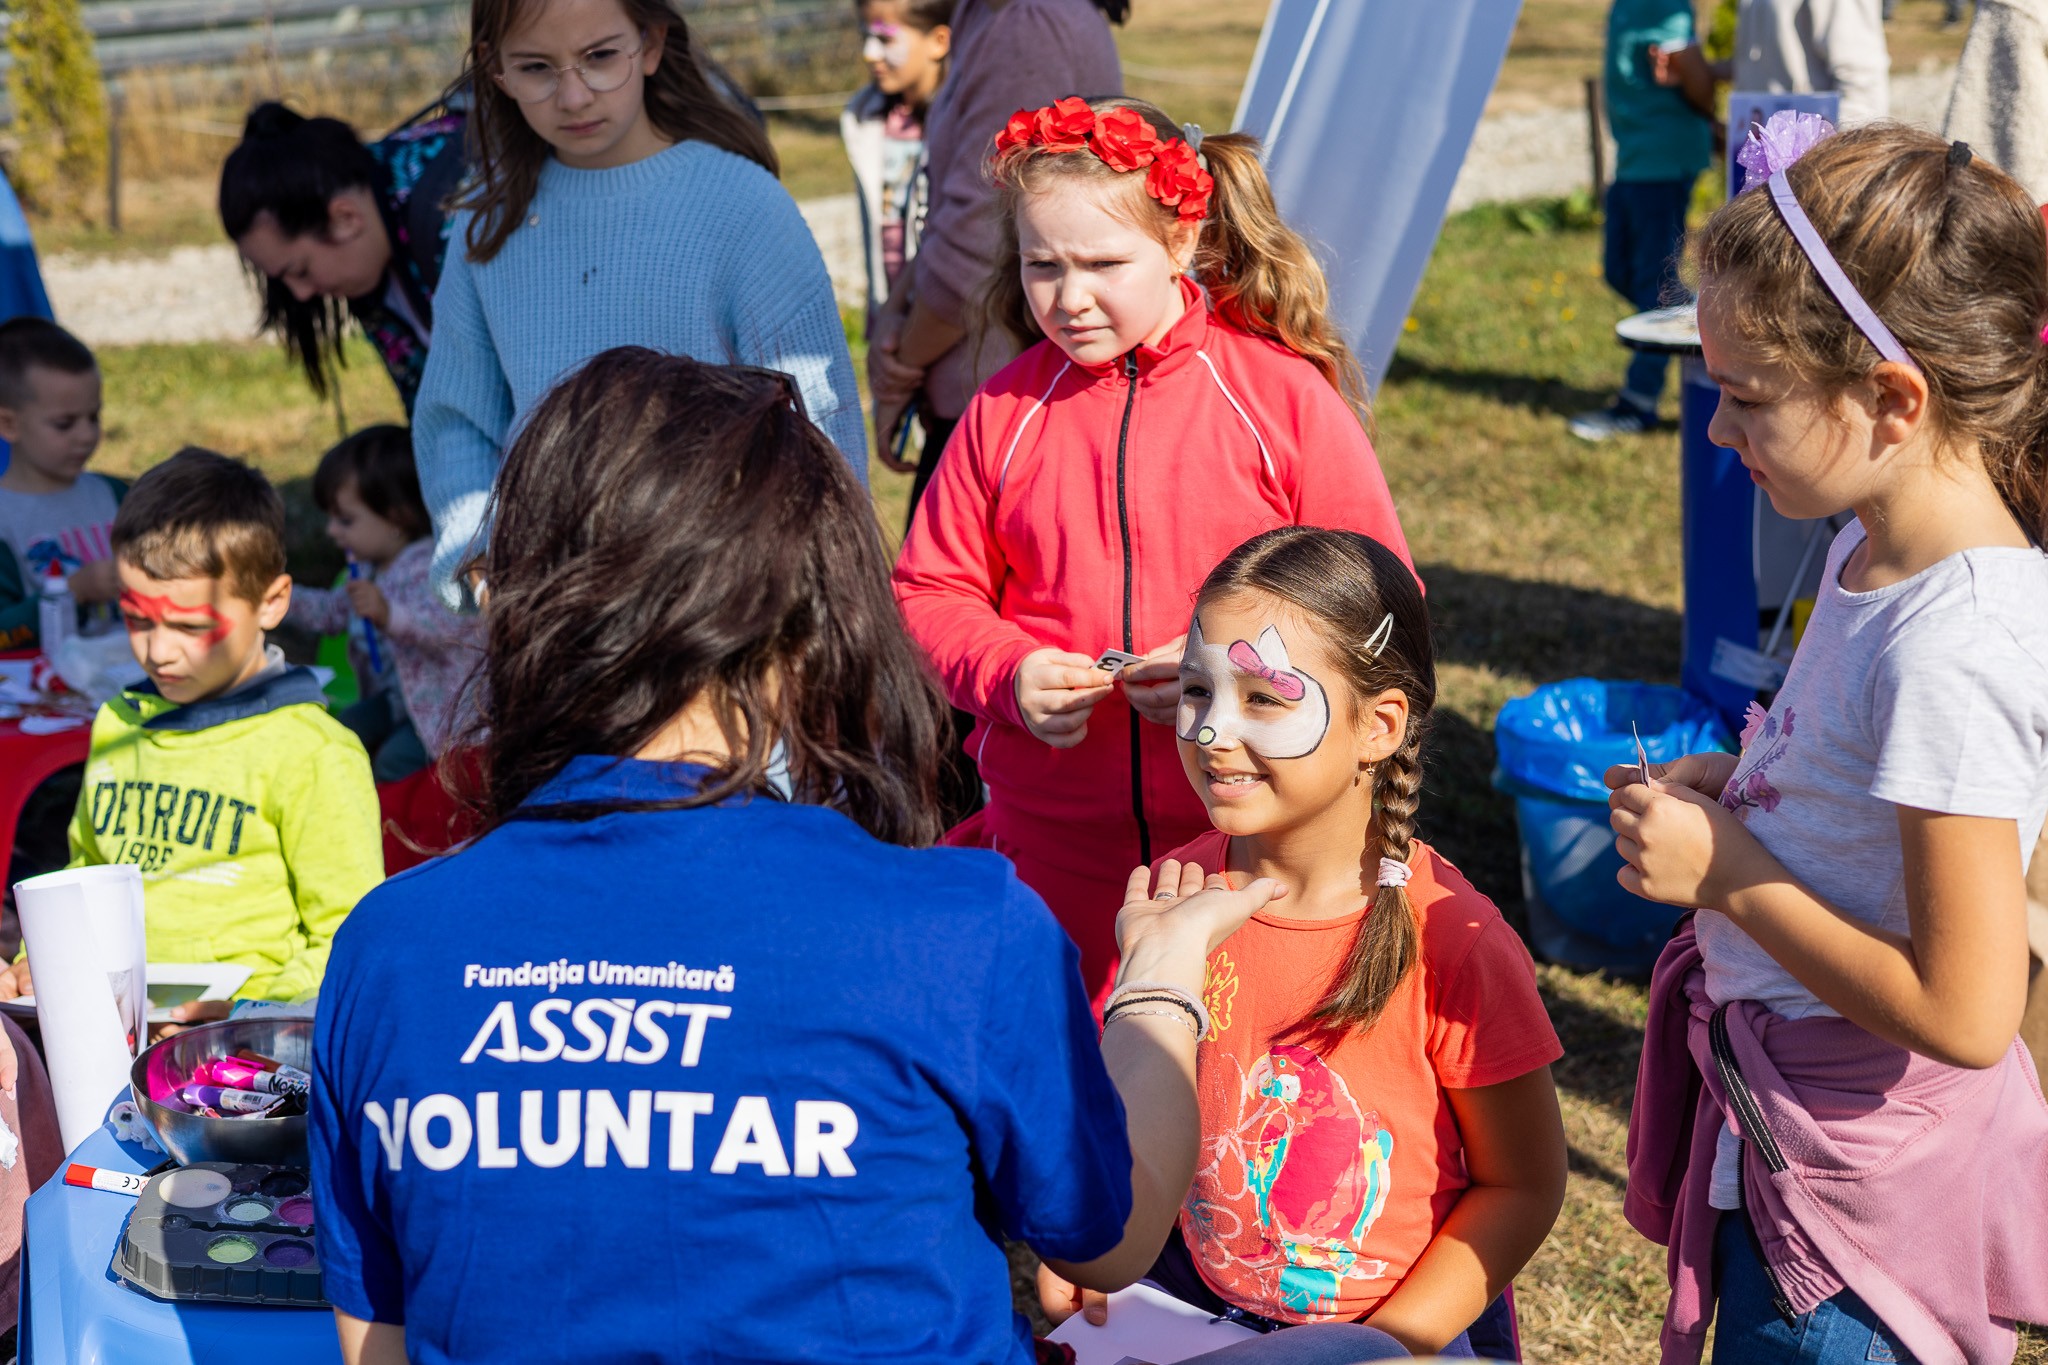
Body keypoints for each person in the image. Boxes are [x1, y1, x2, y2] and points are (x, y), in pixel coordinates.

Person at [306, 347, 1383, 1365]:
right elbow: (1101, 1237)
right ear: (805, 622)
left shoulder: (392, 942)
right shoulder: (956, 927)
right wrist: (1158, 982)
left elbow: (376, 1341)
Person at [1614, 119, 2048, 1364]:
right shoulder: (1874, 542)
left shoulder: (1951, 644)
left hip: (1859, 1226)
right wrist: (1746, 797)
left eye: (1744, 399)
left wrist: (1727, 875)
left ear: (1891, 398)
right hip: (1800, 1126)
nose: (1714, 432)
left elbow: (1966, 1012)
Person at [893, 97, 1415, 1002]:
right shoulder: (1002, 413)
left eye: (1102, 263)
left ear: (1181, 245)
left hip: (1251, 852)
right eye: (1041, 265)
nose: (1069, 296)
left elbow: (1379, 592)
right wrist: (1007, 672)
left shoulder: (1280, 399)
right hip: (1046, 850)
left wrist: (1225, 671)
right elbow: (926, 592)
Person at [1036, 528, 1567, 1357]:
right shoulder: (1176, 897)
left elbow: (1524, 1183)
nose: (1211, 730)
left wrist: (1389, 1343)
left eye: (1264, 697)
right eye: (1196, 690)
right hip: (1189, 1308)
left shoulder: (1453, 940)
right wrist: (1109, 1245)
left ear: (1379, 725)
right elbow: (1125, 1104)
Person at [414, 0, 866, 607]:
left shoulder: (743, 204)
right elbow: (458, 423)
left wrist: (814, 591)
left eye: (600, 57)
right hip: (557, 616)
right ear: (496, 71)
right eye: (537, 68)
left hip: (726, 603)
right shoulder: (486, 228)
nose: (573, 97)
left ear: (650, 44)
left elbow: (818, 419)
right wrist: (478, 554)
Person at [0, 449, 384, 1014]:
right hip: (109, 1031)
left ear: (273, 602)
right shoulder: (120, 723)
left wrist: (240, 1009)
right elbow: (85, 877)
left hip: (244, 1058)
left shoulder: (313, 752)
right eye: (137, 619)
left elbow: (350, 942)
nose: (157, 651)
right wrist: (39, 956)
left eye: (190, 626)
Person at [867, 0, 1123, 507]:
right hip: (990, 386)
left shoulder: (1026, 26)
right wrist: (899, 304)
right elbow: (952, 210)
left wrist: (899, 369)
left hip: (1006, 404)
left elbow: (979, 236)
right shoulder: (989, 15)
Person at [220, 102, 468, 415]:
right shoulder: (369, 263)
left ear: (345, 218)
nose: (301, 293)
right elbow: (432, 415)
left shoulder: (463, 213)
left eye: (300, 270)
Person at [288, 425, 484, 782]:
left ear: (397, 517)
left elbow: (448, 627)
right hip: (397, 701)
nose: (332, 531)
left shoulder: (428, 565)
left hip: (444, 711)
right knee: (342, 734)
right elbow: (332, 613)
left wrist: (390, 615)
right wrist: (279, 598)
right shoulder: (366, 570)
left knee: (395, 761)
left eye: (345, 519)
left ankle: (400, 827)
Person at [1570, 0, 1716, 441]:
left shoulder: (1664, 4)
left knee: (1656, 289)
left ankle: (1639, 402)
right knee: (1621, 272)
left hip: (1664, 161)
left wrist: (1703, 99)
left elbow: (1693, 72)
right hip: (1634, 160)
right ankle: (1696, 314)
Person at [0, 317, 122, 649]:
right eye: (64, 424)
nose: (86, 435)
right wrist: (73, 592)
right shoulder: (5, 521)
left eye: (93, 417)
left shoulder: (117, 495)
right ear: (8, 424)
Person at [842, 0, 953, 330]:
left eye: (885, 39)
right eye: (865, 36)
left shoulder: (962, 122)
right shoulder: (864, 118)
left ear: (938, 41)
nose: (869, 53)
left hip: (946, 321)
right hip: (891, 315)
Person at [1651, 0, 1890, 128]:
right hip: (1766, 162)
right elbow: (1762, 60)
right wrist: (1696, 69)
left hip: (1808, 173)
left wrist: (1833, 164)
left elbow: (1864, 85)